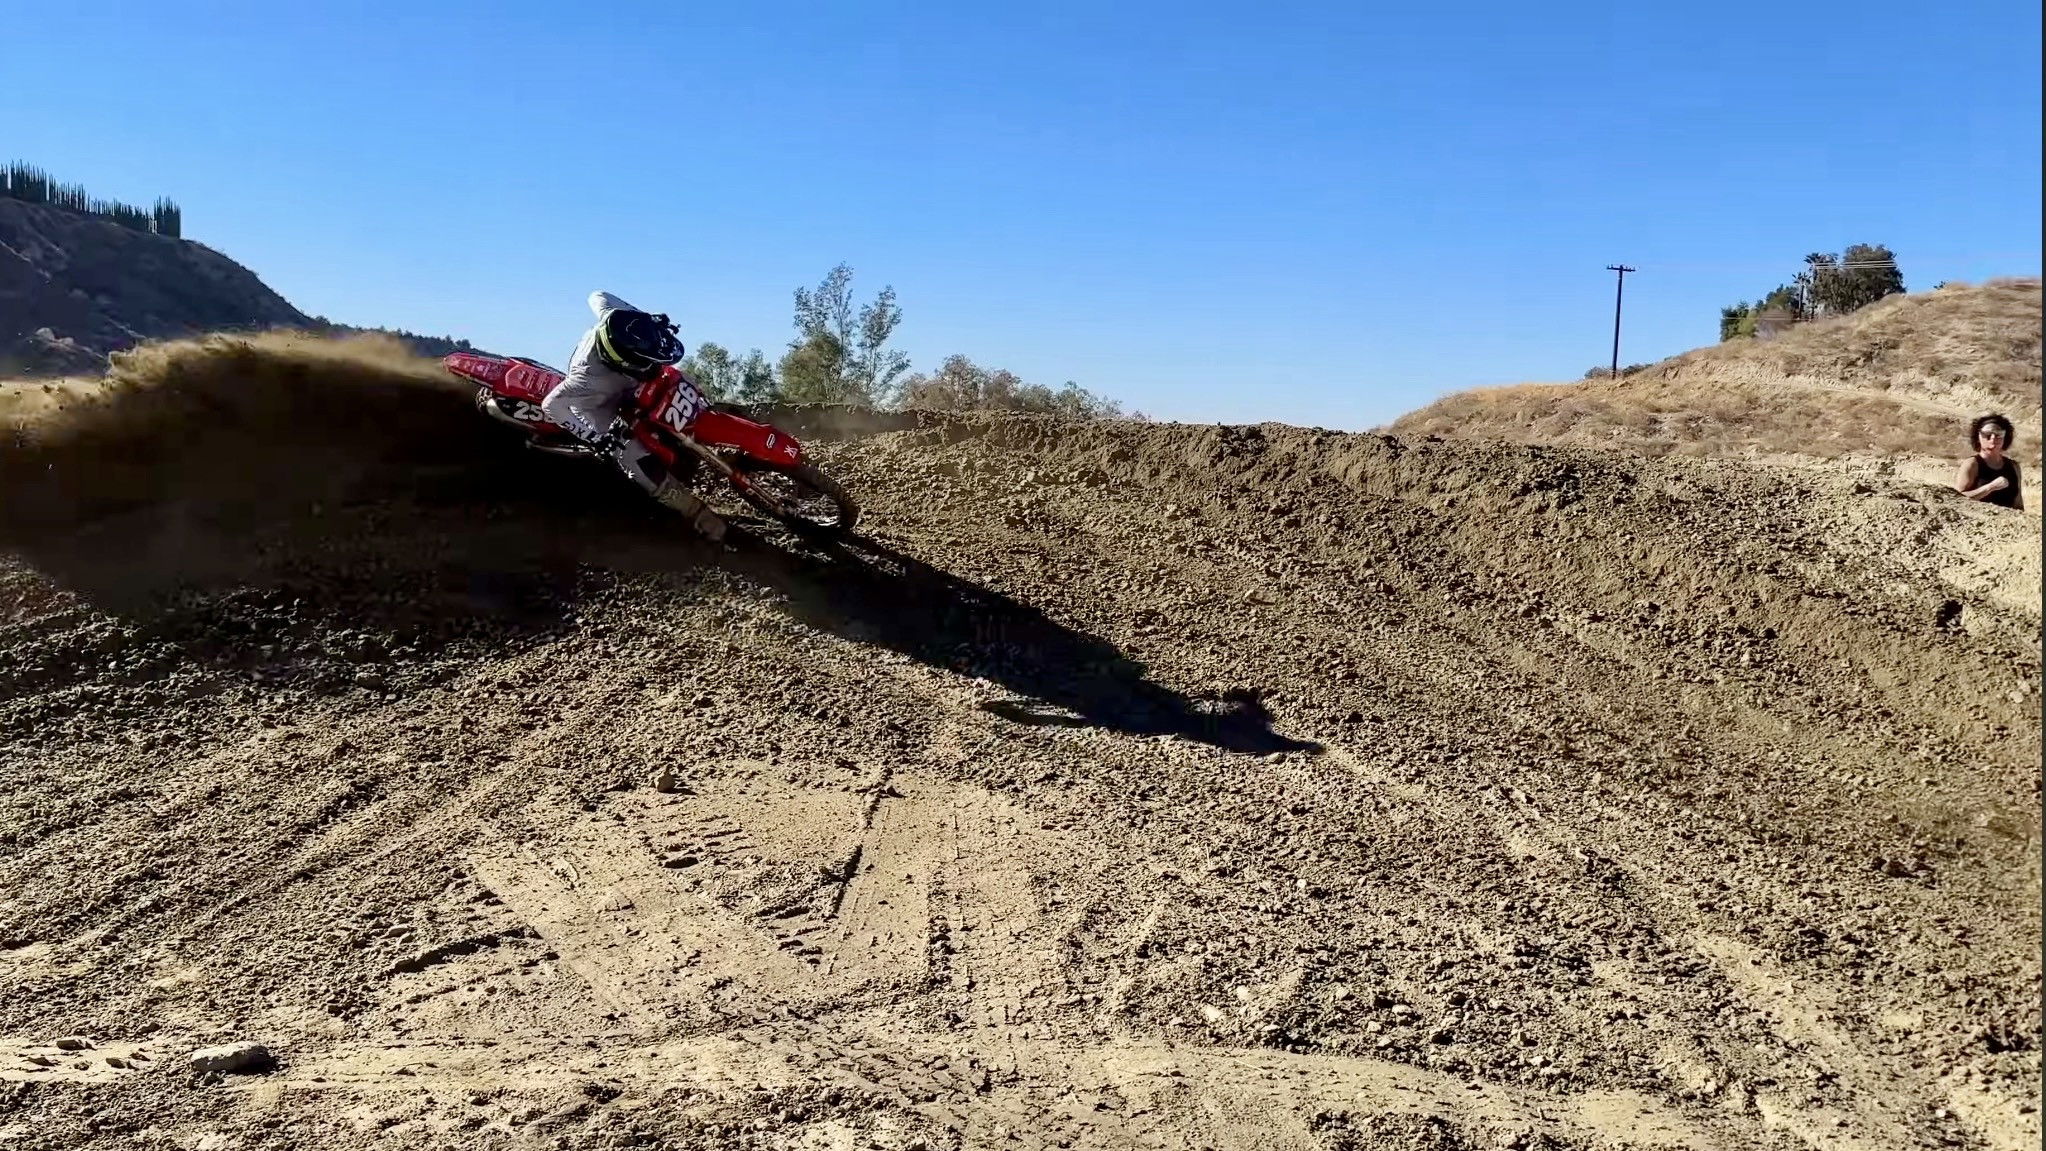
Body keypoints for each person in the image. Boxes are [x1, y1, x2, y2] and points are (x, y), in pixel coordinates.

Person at [541, 291, 726, 540]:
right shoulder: (584, 379)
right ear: (624, 362)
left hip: (628, 381)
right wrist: (594, 438)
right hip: (599, 405)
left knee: (684, 381)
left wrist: (644, 318)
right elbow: (551, 404)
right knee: (629, 454)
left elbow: (596, 295)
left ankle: (714, 419)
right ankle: (694, 511)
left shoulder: (613, 316)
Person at [1955, 412, 2024, 510]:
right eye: (1987, 434)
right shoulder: (1972, 464)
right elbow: (1957, 499)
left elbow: (2018, 503)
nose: (1993, 438)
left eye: (1999, 434)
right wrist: (1990, 487)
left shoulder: (2014, 466)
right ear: (1978, 437)